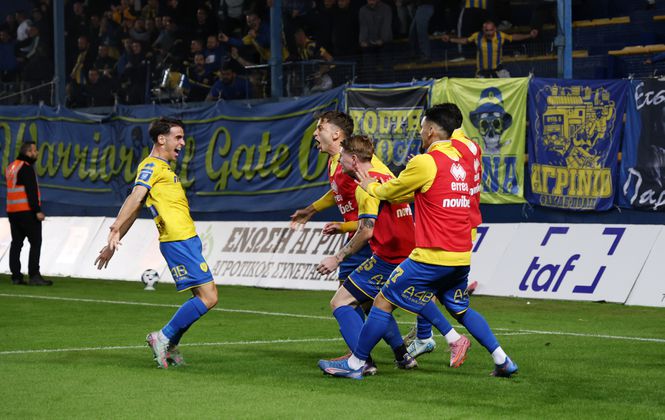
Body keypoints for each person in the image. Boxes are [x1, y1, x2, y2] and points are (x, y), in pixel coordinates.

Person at [318, 103, 518, 379]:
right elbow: (415, 194)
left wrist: (369, 186)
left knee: (382, 301)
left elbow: (392, 191)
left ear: (432, 130)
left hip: (431, 254)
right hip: (461, 255)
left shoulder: (426, 162)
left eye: (423, 127)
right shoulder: (462, 160)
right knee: (460, 308)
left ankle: (356, 364)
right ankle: (502, 359)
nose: (420, 132)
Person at [318, 134, 471, 373]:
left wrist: (337, 258)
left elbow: (366, 231)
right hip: (408, 252)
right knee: (385, 301)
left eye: (343, 157)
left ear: (354, 159)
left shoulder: (366, 187)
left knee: (341, 301)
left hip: (388, 258)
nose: (340, 162)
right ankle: (409, 353)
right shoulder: (386, 178)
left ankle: (360, 362)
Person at [94, 117, 218, 369]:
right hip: (178, 240)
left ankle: (169, 345)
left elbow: (136, 208)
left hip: (187, 239)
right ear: (162, 139)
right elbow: (135, 196)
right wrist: (115, 227)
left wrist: (111, 246)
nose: (182, 143)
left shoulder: (164, 169)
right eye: (178, 137)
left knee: (201, 297)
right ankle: (161, 337)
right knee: (210, 297)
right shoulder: (151, 166)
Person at [405, 124, 483, 359]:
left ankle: (428, 336)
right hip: (464, 220)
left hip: (447, 224)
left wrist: (419, 171)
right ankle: (424, 333)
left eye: (424, 126)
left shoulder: (452, 147)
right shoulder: (471, 145)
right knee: (434, 290)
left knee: (418, 285)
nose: (422, 131)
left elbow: (445, 182)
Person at [5, 141, 51, 286]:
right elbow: (31, 192)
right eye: (35, 151)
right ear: (28, 152)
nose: (36, 153)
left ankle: (16, 276)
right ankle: (34, 275)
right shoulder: (26, 168)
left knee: (16, 243)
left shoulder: (11, 167)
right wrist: (37, 211)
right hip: (27, 212)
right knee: (35, 242)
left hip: (13, 212)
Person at [441, 20, 538, 78]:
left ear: (495, 29)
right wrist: (450, 39)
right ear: (483, 30)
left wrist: (529, 35)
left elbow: (513, 37)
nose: (489, 33)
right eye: (486, 30)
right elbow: (465, 41)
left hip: (498, 72)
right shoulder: (477, 36)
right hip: (482, 73)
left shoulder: (500, 36)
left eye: (491, 30)